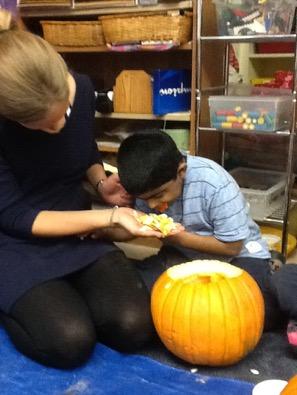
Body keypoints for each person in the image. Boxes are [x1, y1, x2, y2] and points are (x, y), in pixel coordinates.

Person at [0, 17, 183, 369]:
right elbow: (16, 216)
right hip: (15, 241)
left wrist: (101, 183)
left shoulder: (81, 89)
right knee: (70, 342)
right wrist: (111, 217)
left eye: (63, 113)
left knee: (134, 326)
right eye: (40, 124)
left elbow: (83, 148)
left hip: (79, 228)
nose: (58, 128)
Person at [117, 131, 297, 353]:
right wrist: (107, 227)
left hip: (237, 256)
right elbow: (133, 227)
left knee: (252, 314)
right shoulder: (148, 187)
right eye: (146, 199)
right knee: (138, 300)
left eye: (159, 195)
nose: (153, 205)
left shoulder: (214, 183)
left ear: (181, 171)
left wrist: (177, 237)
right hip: (180, 255)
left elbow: (232, 246)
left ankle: (276, 269)